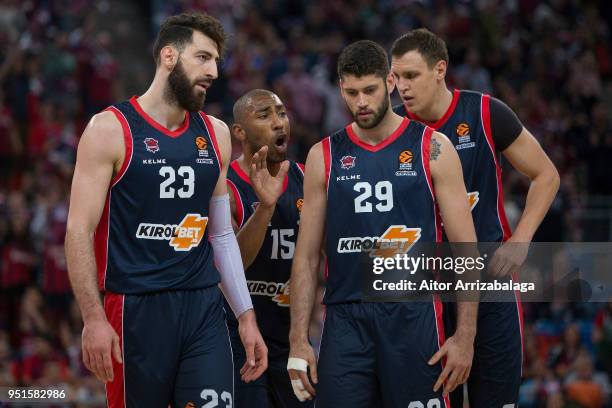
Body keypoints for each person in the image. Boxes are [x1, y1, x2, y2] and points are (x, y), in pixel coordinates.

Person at [65, 12, 267, 408]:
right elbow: (78, 231)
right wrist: (92, 318)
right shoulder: (109, 129)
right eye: (203, 58)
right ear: (169, 56)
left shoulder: (216, 133)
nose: (213, 72)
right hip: (135, 307)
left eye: (216, 62)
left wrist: (245, 314)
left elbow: (221, 235)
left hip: (202, 307)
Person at [288, 40, 479, 407]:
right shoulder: (322, 156)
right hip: (345, 318)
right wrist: (299, 339)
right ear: (340, 88)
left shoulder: (432, 147)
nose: (361, 102)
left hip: (415, 315)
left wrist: (465, 336)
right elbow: (306, 257)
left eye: (370, 90)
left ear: (390, 82)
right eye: (352, 92)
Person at [390, 28, 560, 407]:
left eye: (412, 75)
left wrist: (521, 239)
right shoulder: (393, 129)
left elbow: (546, 175)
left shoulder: (486, 113)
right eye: (396, 77)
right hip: (423, 287)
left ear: (440, 70)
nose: (402, 87)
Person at [225, 88, 313, 408]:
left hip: (294, 340)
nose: (279, 123)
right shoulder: (226, 186)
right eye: (264, 115)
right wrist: (265, 208)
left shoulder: (307, 178)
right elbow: (231, 264)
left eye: (282, 113)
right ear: (239, 131)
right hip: (239, 342)